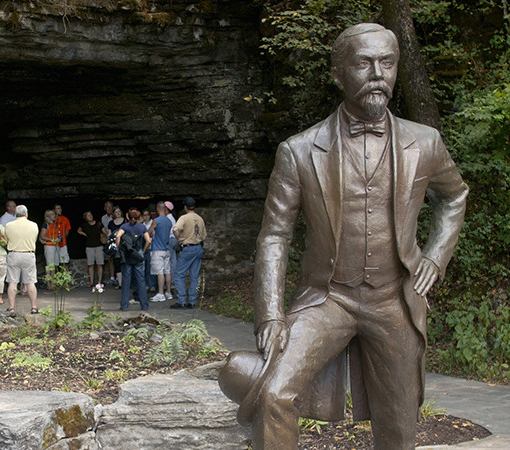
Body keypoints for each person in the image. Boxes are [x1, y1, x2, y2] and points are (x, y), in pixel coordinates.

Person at [219, 24, 469, 450]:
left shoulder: (424, 143)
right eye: (364, 63)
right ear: (338, 73)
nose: (378, 74)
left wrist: (434, 256)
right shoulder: (299, 150)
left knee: (399, 419)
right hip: (327, 298)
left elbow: (454, 195)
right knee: (274, 392)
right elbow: (274, 236)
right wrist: (271, 315)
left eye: (387, 63)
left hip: (393, 298)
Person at [4, 205, 40, 314]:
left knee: (12, 282)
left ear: (15, 214)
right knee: (30, 282)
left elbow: (6, 240)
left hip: (14, 254)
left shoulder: (9, 225)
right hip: (28, 254)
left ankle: (11, 308)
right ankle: (33, 307)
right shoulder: (34, 225)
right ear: (26, 214)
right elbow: (34, 239)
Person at [114, 208, 151, 311]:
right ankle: (144, 305)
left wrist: (119, 248)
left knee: (126, 280)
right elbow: (148, 241)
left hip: (127, 254)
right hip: (138, 253)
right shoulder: (142, 227)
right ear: (138, 217)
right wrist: (143, 252)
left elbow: (118, 236)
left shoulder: (125, 226)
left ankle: (124, 305)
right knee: (141, 280)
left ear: (127, 217)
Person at [171, 197, 205, 309]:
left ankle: (181, 300)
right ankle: (192, 301)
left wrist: (179, 238)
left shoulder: (184, 218)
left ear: (185, 207)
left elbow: (175, 229)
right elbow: (204, 236)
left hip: (188, 247)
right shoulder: (200, 219)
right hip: (198, 247)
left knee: (179, 275)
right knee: (194, 276)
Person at [148, 201, 175, 303]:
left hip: (158, 249)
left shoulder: (156, 220)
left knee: (159, 272)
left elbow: (149, 232)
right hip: (166, 248)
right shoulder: (169, 221)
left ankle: (160, 293)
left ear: (158, 209)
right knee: (167, 271)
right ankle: (168, 291)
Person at [76, 210, 106, 288]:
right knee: (91, 265)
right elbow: (78, 230)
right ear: (85, 218)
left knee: (99, 264)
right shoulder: (84, 225)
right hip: (89, 246)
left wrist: (104, 237)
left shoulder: (98, 223)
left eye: (91, 215)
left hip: (99, 246)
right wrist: (83, 234)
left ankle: (99, 282)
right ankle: (91, 282)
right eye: (88, 215)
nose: (90, 216)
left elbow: (105, 231)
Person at [105, 206, 126, 288]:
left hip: (124, 245)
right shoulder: (111, 223)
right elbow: (109, 234)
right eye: (116, 212)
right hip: (115, 246)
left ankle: (126, 282)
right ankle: (120, 283)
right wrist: (108, 242)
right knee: (117, 264)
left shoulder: (125, 221)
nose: (118, 213)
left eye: (119, 211)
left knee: (125, 263)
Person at [52, 204, 72, 268]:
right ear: (54, 210)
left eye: (60, 208)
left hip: (63, 244)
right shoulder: (51, 219)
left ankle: (66, 277)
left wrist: (62, 238)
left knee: (65, 262)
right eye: (58, 208)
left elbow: (67, 231)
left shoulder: (65, 219)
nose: (60, 210)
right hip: (53, 244)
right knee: (54, 263)